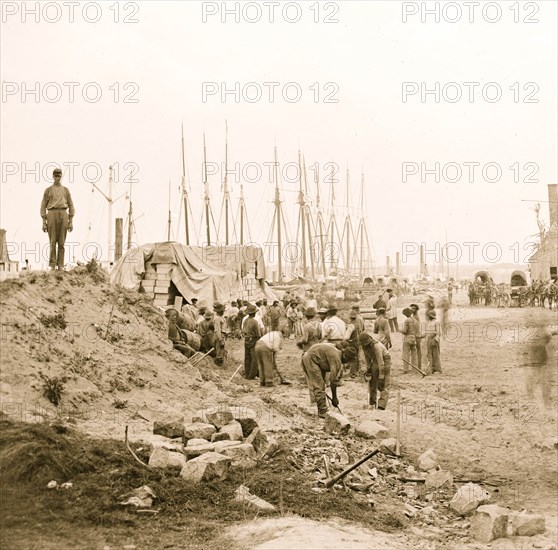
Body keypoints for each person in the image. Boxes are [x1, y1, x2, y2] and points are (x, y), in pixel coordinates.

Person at [301, 343, 356, 418]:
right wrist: (334, 398)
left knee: (321, 385)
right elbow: (333, 381)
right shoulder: (337, 358)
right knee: (319, 386)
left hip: (315, 360)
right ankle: (322, 411)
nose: (347, 363)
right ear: (345, 356)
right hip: (311, 359)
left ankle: (322, 407)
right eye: (348, 360)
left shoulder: (337, 352)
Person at [40, 167, 75, 270]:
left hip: (63, 214)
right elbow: (43, 206)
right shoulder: (48, 190)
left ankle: (60, 265)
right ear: (53, 176)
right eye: (55, 176)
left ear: (61, 177)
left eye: (59, 176)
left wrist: (71, 221)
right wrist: (43, 221)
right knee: (52, 241)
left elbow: (71, 205)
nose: (57, 178)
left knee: (61, 242)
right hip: (51, 213)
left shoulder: (66, 190)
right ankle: (52, 265)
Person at [359, 332, 391, 410]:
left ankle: (381, 405)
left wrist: (381, 376)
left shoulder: (376, 346)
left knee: (384, 383)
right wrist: (368, 369)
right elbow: (368, 359)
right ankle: (372, 403)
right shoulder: (364, 346)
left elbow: (381, 363)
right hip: (375, 360)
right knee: (372, 382)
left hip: (385, 359)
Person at [242, 304, 262, 379]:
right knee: (255, 358)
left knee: (247, 357)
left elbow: (243, 330)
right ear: (254, 313)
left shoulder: (245, 321)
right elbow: (258, 334)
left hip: (246, 340)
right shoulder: (254, 322)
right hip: (253, 340)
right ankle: (252, 375)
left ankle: (247, 374)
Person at [344, 310, 363, 377]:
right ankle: (357, 371)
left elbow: (346, 337)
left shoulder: (351, 326)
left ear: (350, 318)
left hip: (352, 342)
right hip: (357, 342)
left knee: (352, 358)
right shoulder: (357, 324)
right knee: (357, 356)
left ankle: (353, 373)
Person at [401, 307, 419, 374]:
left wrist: (401, 330)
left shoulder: (407, 320)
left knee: (406, 354)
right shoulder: (415, 320)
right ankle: (414, 369)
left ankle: (406, 369)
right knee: (414, 354)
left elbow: (405, 331)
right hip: (414, 338)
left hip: (407, 337)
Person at [409, 303, 424, 370]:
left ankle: (418, 366)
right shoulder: (413, 317)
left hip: (416, 336)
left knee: (417, 351)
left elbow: (416, 328)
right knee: (416, 351)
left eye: (413, 308)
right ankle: (416, 366)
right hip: (415, 335)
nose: (412, 310)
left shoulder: (416, 317)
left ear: (416, 309)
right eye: (411, 308)